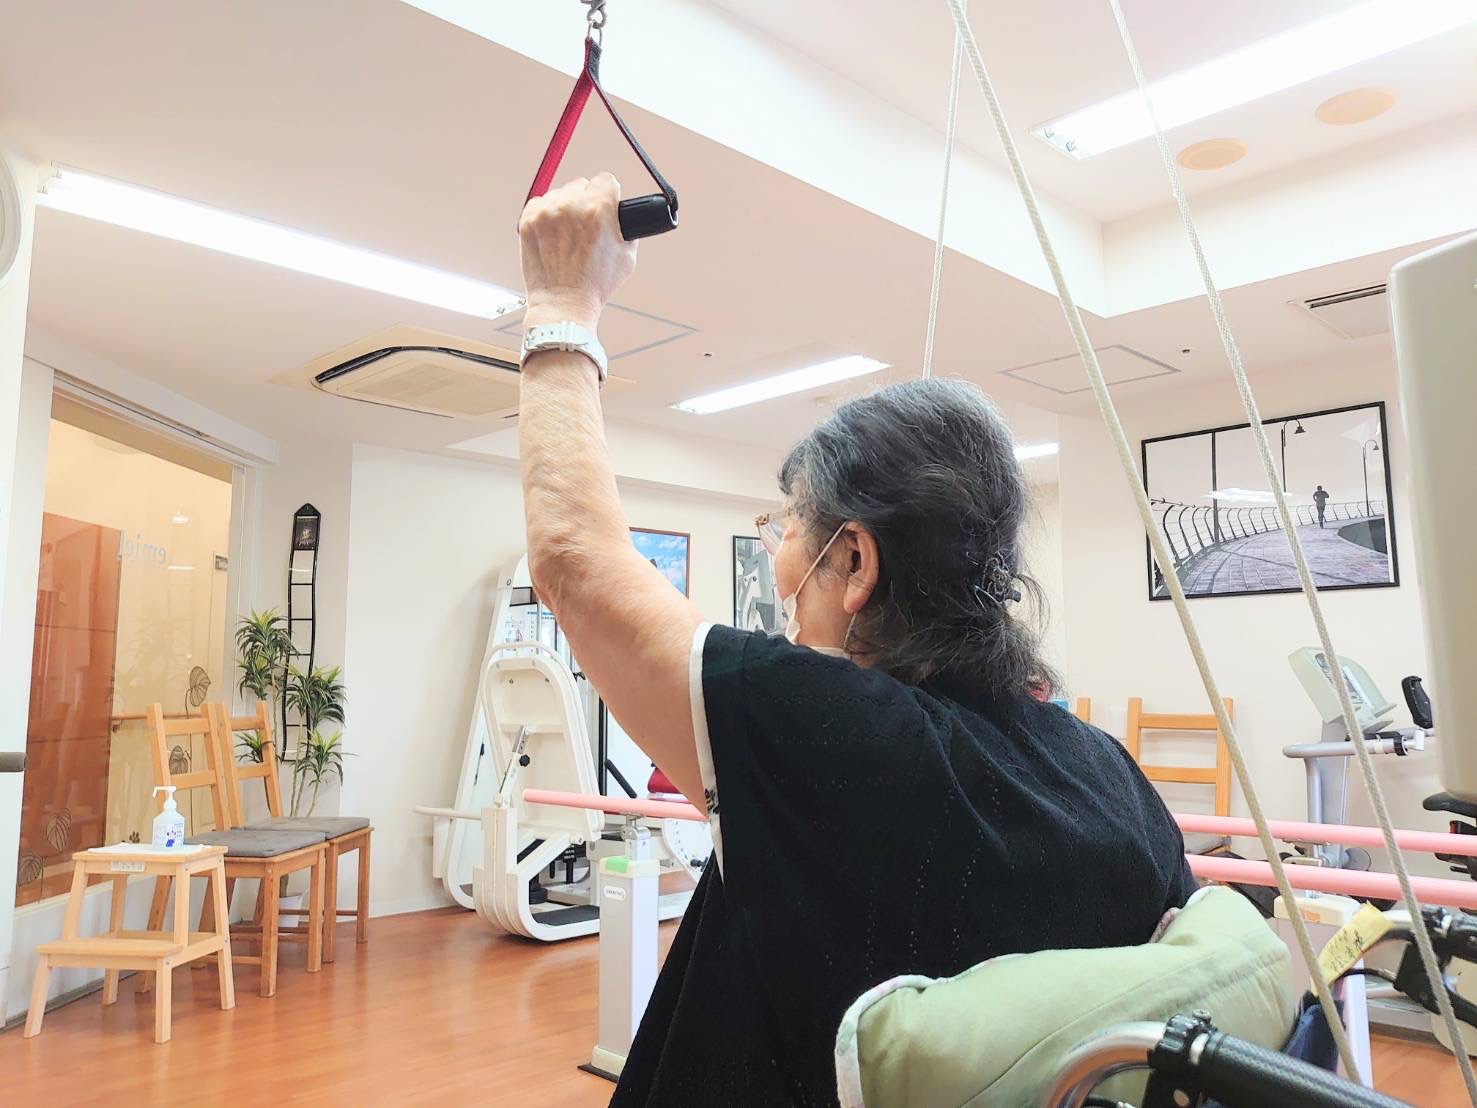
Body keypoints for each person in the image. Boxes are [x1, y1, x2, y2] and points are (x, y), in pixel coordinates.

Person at [516, 174, 1196, 1107]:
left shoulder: (836, 731)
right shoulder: (1108, 774)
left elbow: (572, 561)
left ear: (854, 562)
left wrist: (561, 303)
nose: (778, 560)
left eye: (788, 527)